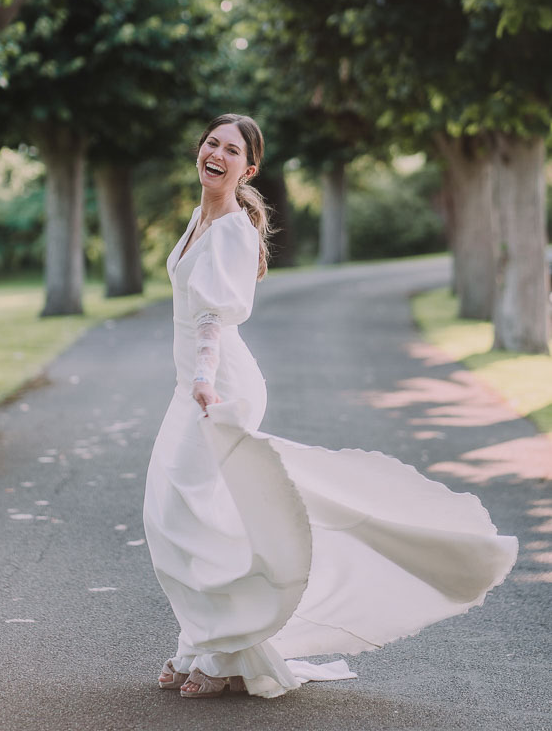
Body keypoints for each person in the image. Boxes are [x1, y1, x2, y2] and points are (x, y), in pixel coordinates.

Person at [143, 113, 518, 700]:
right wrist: (191, 377)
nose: (217, 154)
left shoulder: (234, 229)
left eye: (231, 150)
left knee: (194, 515)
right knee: (174, 513)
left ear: (250, 167)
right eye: (211, 144)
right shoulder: (199, 218)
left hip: (218, 385)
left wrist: (202, 377)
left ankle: (219, 657)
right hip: (192, 384)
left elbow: (215, 315)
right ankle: (204, 641)